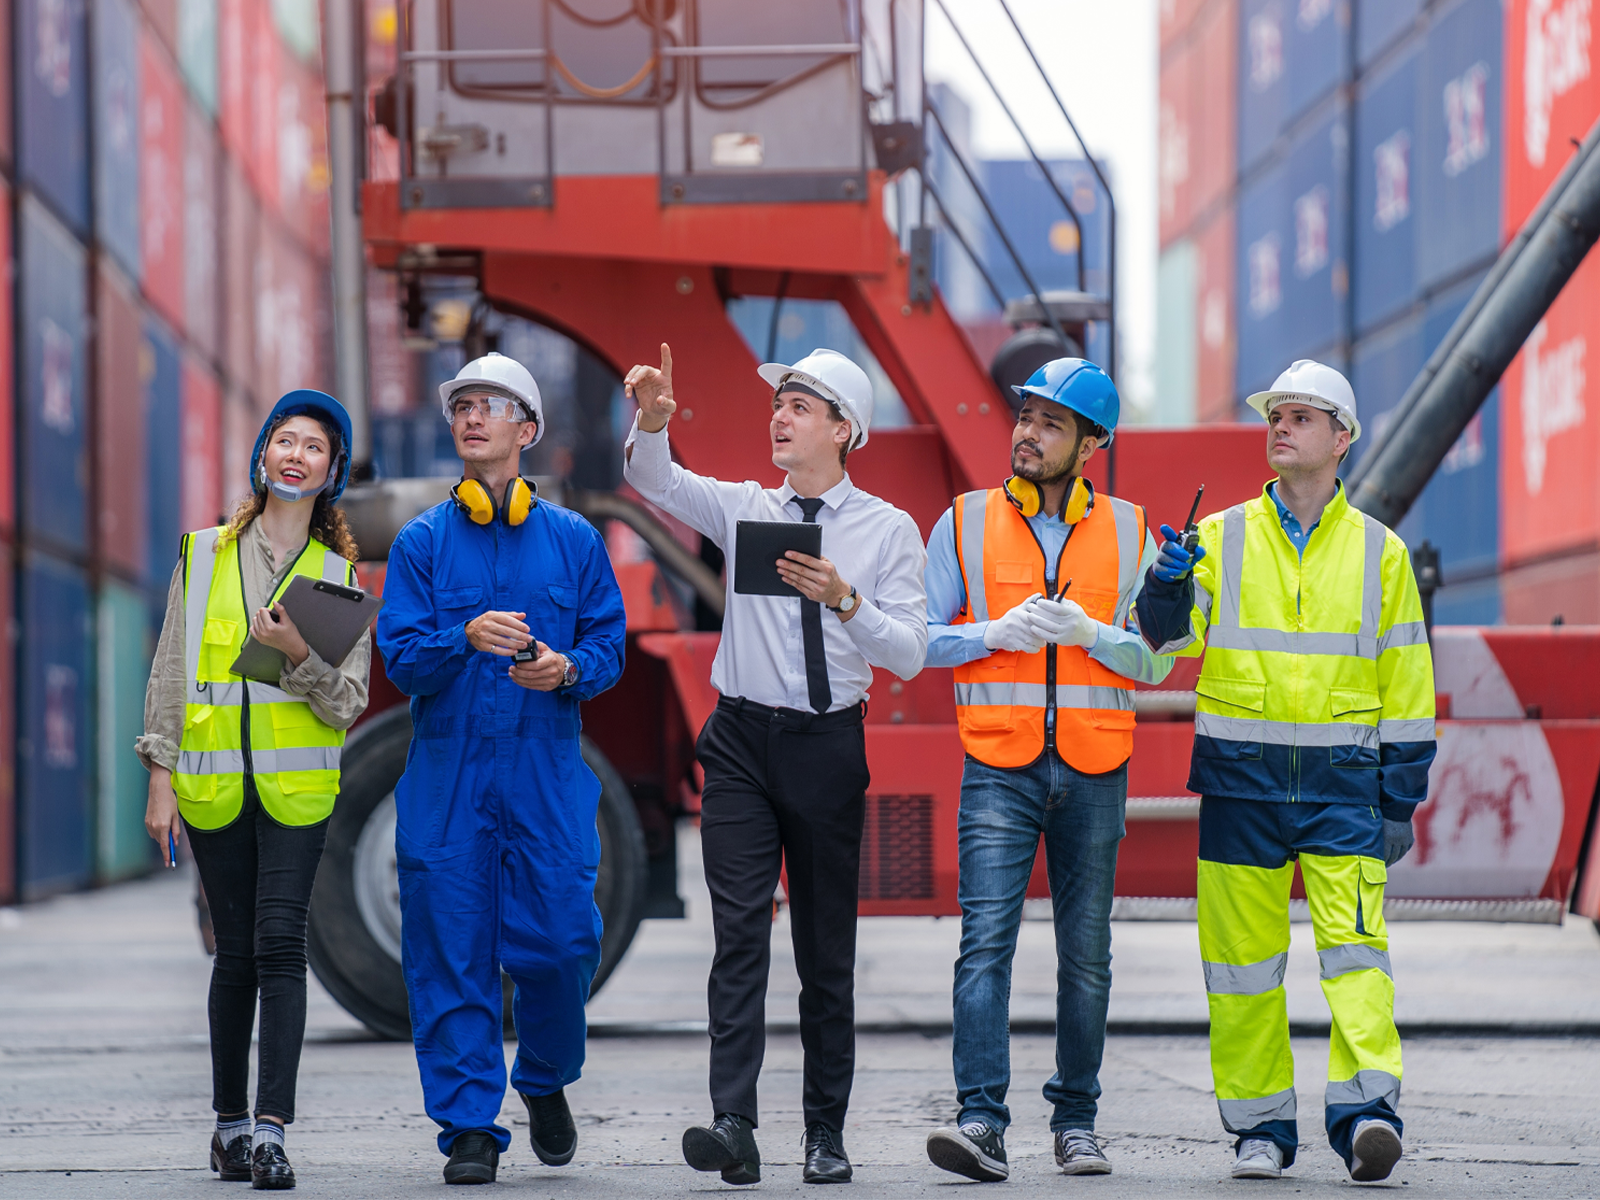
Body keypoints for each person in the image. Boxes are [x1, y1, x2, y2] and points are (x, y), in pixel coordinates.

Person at [622, 343, 927, 1185]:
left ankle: (825, 1135)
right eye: (778, 404)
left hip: (828, 748)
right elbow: (661, 484)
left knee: (826, 952)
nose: (779, 417)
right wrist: (653, 424)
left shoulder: (887, 529)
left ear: (844, 429)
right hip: (742, 744)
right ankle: (733, 1123)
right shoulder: (747, 506)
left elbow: (909, 653)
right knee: (738, 939)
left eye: (798, 405)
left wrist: (844, 599)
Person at [1134, 360, 1435, 1183]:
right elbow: (1163, 643)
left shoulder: (1382, 554)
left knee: (1358, 958)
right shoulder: (1220, 539)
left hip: (1344, 787)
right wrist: (1162, 588)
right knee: (1241, 973)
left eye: (1300, 417)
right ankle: (1261, 1129)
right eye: (1276, 415)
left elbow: (1407, 684)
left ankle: (1368, 1115)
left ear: (1341, 439)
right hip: (1240, 786)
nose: (1280, 427)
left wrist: (1399, 798)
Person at [376, 352, 627, 1186]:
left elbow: (608, 646)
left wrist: (567, 670)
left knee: (562, 945)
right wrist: (462, 638)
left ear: (526, 429)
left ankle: (546, 1079)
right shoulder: (419, 545)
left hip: (544, 772)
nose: (471, 417)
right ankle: (469, 1125)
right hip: (447, 778)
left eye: (490, 405)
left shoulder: (573, 541)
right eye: (461, 407)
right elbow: (404, 660)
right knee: (450, 949)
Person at [920, 359, 1172, 1182]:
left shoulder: (1136, 533)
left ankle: (1076, 1120)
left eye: (1051, 423)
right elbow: (916, 641)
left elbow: (1158, 662)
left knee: (1087, 954)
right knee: (983, 945)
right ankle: (981, 1122)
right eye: (1025, 416)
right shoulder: (962, 521)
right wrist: (999, 630)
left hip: (1096, 766)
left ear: (1091, 444)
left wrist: (1091, 631)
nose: (1028, 433)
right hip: (997, 760)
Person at [139, 390, 370, 1191]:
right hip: (212, 791)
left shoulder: (338, 579)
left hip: (297, 797)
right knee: (233, 956)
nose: (297, 454)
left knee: (281, 948)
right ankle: (228, 1125)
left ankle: (272, 1131)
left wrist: (299, 650)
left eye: (314, 446)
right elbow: (171, 671)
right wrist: (159, 778)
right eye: (285, 440)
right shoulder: (202, 555)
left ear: (331, 472)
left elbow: (347, 703)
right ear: (264, 458)